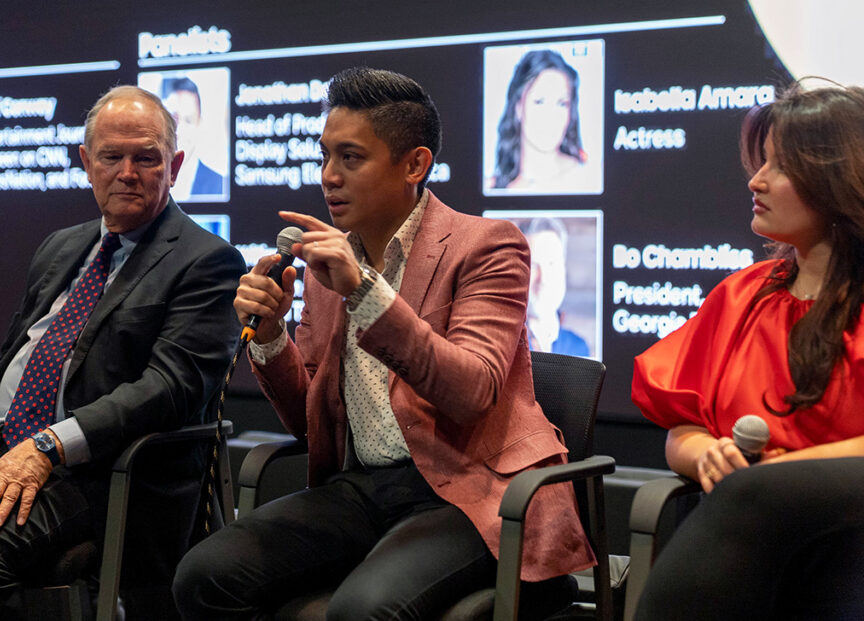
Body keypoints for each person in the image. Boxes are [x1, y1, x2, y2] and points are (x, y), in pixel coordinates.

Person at [174, 67, 593, 620]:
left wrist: (366, 293)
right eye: (325, 155)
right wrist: (271, 335)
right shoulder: (329, 267)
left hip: (470, 493)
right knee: (203, 576)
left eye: (350, 158)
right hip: (364, 488)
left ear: (414, 165)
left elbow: (472, 391)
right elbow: (308, 426)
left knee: (359, 612)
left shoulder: (487, 246)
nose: (329, 176)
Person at [0, 85, 246, 620]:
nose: (127, 173)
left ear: (174, 166)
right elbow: (11, 362)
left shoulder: (208, 260)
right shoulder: (62, 246)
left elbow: (168, 389)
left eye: (146, 159)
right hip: (1, 446)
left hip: (99, 471)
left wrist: (51, 444)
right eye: (111, 157)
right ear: (86, 163)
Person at [631, 82, 864, 619]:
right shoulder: (741, 295)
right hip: (742, 544)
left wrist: (771, 479)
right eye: (761, 163)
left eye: (781, 167)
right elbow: (681, 430)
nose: (756, 180)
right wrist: (706, 455)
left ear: (837, 179)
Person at [490, 49, 587, 192]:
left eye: (562, 103)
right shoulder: (492, 187)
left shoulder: (586, 177)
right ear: (518, 107)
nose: (551, 116)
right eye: (540, 101)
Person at [525, 217, 589, 355]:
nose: (543, 278)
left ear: (563, 269)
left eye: (551, 263)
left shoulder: (579, 348)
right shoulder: (503, 344)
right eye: (534, 265)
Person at [161, 76, 226, 201]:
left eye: (188, 121)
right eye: (172, 120)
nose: (179, 131)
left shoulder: (219, 185)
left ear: (199, 124)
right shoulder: (145, 183)